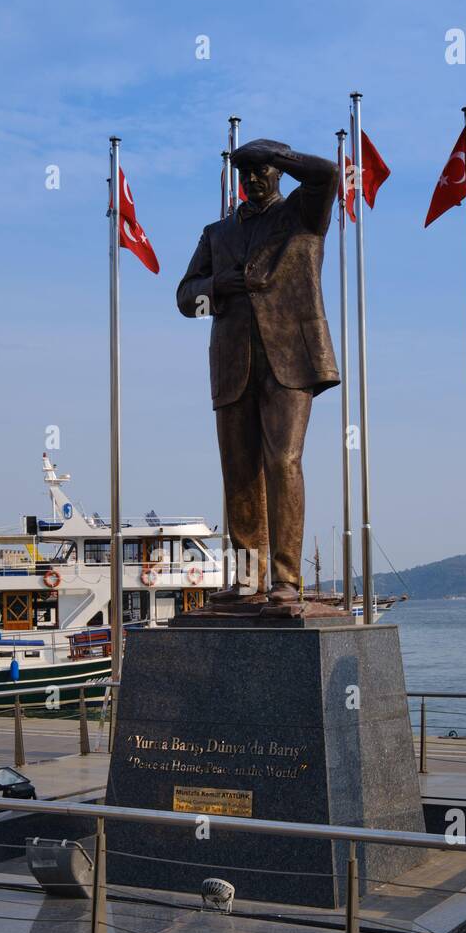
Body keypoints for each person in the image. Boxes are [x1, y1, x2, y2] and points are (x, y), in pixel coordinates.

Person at [177, 138, 340, 612]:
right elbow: (186, 299)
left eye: (260, 170)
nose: (252, 178)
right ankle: (249, 581)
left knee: (283, 461)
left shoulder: (302, 216)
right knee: (240, 472)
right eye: (244, 171)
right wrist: (215, 287)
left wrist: (279, 152)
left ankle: (286, 581)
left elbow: (327, 173)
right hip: (232, 363)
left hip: (290, 359)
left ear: (277, 173)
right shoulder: (216, 234)